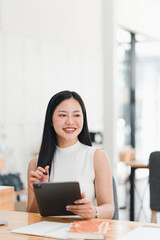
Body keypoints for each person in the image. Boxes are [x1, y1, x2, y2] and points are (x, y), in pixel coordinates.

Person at [27, 90, 114, 219]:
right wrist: (36, 193)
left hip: (81, 234)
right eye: (62, 115)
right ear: (50, 120)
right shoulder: (36, 163)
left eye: (76, 115)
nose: (70, 121)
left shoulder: (97, 156)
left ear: (83, 119)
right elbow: (31, 215)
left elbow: (109, 208)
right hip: (47, 235)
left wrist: (94, 211)